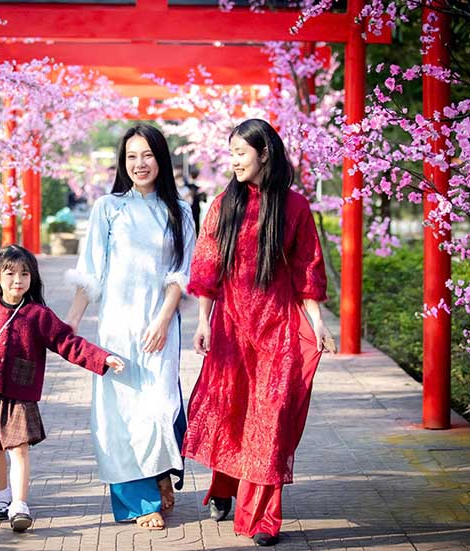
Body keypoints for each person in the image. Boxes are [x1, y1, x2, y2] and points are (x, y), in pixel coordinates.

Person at [185, 119, 335, 547]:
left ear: (264, 153)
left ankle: (263, 518)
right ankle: (223, 486)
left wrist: (318, 321)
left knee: (269, 420)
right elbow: (207, 267)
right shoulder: (223, 205)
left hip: (279, 330)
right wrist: (201, 322)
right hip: (232, 328)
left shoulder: (296, 207)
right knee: (232, 410)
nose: (233, 161)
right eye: (230, 153)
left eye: (240, 153)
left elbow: (308, 268)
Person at [0, 245, 125, 532]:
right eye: (10, 273)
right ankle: (1, 498)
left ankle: (19, 504)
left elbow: (68, 344)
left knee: (20, 449)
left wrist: (102, 358)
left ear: (32, 278)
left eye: (25, 273)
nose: (18, 280)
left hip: (21, 394)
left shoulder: (39, 314)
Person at [65, 124, 196, 530]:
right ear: (123, 162)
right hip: (117, 329)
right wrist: (69, 324)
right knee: (120, 414)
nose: (140, 164)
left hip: (159, 327)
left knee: (161, 407)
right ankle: (142, 502)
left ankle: (161, 474)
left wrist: (162, 319)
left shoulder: (181, 211)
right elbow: (91, 271)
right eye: (132, 157)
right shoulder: (109, 207)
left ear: (162, 159)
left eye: (148, 155)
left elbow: (180, 273)